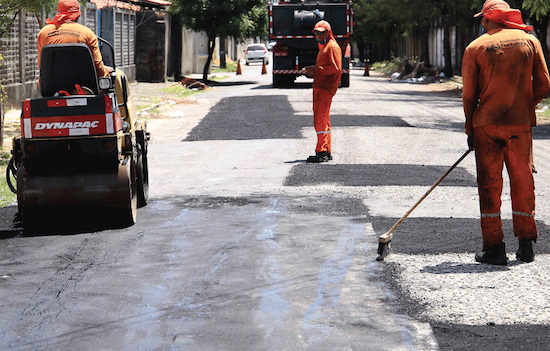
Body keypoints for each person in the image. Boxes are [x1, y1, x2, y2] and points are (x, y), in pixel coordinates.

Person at [462, 0, 550, 265]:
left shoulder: (475, 47)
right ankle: (526, 246)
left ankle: (495, 249)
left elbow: (468, 95)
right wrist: (524, 104)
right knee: (523, 182)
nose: (481, 23)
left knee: (490, 186)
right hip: (519, 126)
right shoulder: (530, 41)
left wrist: (470, 125)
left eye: (483, 19)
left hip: (486, 125)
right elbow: (544, 84)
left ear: (491, 20)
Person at [37, 0, 112, 78]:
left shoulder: (44, 33)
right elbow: (98, 66)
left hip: (51, 86)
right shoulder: (87, 33)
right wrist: (106, 73)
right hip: (82, 87)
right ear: (78, 15)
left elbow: (41, 65)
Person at [304, 20, 342, 163]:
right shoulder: (325, 47)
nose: (319, 35)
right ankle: (325, 150)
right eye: (316, 33)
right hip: (321, 87)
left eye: (322, 32)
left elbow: (335, 68)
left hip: (325, 88)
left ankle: (323, 151)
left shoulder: (331, 47)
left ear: (328, 32)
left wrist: (316, 70)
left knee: (321, 119)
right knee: (321, 119)